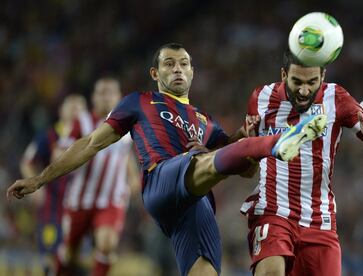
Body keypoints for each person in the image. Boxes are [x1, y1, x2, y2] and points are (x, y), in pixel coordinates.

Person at [7, 43, 327, 276]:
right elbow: (90, 143)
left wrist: (242, 138)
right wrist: (39, 179)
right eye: (169, 63)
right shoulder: (139, 102)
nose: (177, 68)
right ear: (155, 72)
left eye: (184, 63)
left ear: (192, 72)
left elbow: (243, 171)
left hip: (195, 204)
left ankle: (265, 144)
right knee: (199, 158)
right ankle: (277, 141)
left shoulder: (206, 121)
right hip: (161, 180)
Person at [239, 50, 363, 276]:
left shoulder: (336, 98)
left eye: (312, 82)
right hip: (273, 211)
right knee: (270, 272)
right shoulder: (261, 98)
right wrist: (251, 149)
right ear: (284, 74)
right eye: (297, 82)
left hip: (318, 219)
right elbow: (247, 172)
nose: (304, 91)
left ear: (323, 76)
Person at [55, 78, 140, 276]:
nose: (106, 97)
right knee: (69, 252)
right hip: (80, 198)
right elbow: (61, 153)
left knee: (107, 244)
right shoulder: (81, 122)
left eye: (110, 92)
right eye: (102, 92)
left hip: (110, 200)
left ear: (119, 97)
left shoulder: (127, 125)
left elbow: (125, 155)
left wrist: (134, 179)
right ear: (94, 97)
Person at [20, 94, 87, 275]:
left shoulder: (91, 138)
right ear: (60, 111)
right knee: (50, 256)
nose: (75, 109)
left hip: (81, 207)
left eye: (79, 106)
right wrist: (35, 188)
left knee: (76, 260)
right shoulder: (49, 136)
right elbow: (27, 162)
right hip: (53, 207)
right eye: (70, 105)